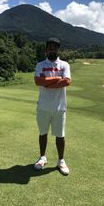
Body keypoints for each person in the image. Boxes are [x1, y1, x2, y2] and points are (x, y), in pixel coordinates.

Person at [34, 37, 71, 175]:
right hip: (43, 106)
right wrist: (56, 79)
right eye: (50, 47)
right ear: (46, 49)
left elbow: (66, 82)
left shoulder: (64, 65)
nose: (52, 50)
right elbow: (38, 82)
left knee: (60, 135)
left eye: (55, 47)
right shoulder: (40, 65)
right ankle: (42, 157)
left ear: (58, 49)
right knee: (43, 133)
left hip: (60, 107)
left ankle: (61, 160)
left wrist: (47, 82)